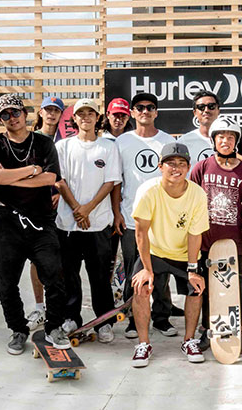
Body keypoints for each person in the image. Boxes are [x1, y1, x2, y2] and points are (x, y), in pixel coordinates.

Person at [0, 93, 72, 355]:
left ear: (25, 113)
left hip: (40, 220)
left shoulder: (44, 143)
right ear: (1, 120)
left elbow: (50, 179)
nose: (12, 118)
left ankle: (54, 326)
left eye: (15, 112)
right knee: (7, 281)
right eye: (5, 115)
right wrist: (31, 170)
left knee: (53, 274)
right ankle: (18, 329)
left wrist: (10, 177)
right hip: (4, 221)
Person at [129, 143, 210, 367]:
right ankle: (143, 344)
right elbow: (141, 232)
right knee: (141, 287)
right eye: (171, 164)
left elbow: (195, 235)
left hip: (184, 253)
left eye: (182, 164)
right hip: (154, 252)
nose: (176, 168)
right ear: (160, 166)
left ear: (189, 167)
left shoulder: (197, 193)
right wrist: (146, 268)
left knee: (196, 288)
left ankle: (189, 340)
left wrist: (193, 270)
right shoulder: (148, 190)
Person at [55, 98, 122, 342]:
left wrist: (88, 209)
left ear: (97, 117)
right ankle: (71, 316)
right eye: (80, 113)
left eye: (90, 113)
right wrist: (76, 209)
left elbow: (111, 181)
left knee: (100, 275)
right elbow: (59, 180)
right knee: (69, 274)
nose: (85, 117)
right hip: (68, 222)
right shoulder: (63, 146)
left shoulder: (108, 147)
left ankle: (104, 321)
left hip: (98, 222)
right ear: (74, 118)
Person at [189, 118, 242, 350]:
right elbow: (191, 199)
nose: (225, 141)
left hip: (234, 239)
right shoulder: (203, 167)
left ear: (236, 141)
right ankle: (208, 330)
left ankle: (239, 330)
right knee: (209, 286)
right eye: (221, 136)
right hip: (207, 239)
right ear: (214, 139)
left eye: (230, 136)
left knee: (236, 286)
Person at [115, 92, 176, 339]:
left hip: (161, 221)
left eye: (150, 107)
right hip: (131, 218)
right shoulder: (122, 142)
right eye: (140, 107)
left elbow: (174, 179)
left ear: (156, 112)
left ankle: (161, 318)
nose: (145, 111)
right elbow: (115, 181)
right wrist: (116, 211)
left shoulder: (167, 141)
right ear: (132, 112)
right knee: (134, 272)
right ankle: (134, 319)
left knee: (160, 272)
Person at [25, 95, 65, 329]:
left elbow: (66, 172)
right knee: (37, 259)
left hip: (61, 206)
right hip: (35, 206)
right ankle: (39, 307)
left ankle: (59, 308)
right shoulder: (30, 139)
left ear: (61, 115)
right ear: (40, 112)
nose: (51, 114)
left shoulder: (65, 139)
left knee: (60, 260)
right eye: (47, 110)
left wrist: (60, 191)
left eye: (56, 111)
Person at [100, 97, 133, 290]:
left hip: (129, 205)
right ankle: (108, 300)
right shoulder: (101, 141)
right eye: (115, 115)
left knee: (133, 259)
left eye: (123, 115)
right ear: (108, 115)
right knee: (108, 256)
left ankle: (132, 299)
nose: (118, 119)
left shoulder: (132, 139)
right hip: (106, 206)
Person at [177, 90, 221, 165]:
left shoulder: (230, 140)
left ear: (218, 111)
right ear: (195, 113)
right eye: (201, 107)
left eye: (211, 106)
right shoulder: (183, 142)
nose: (206, 110)